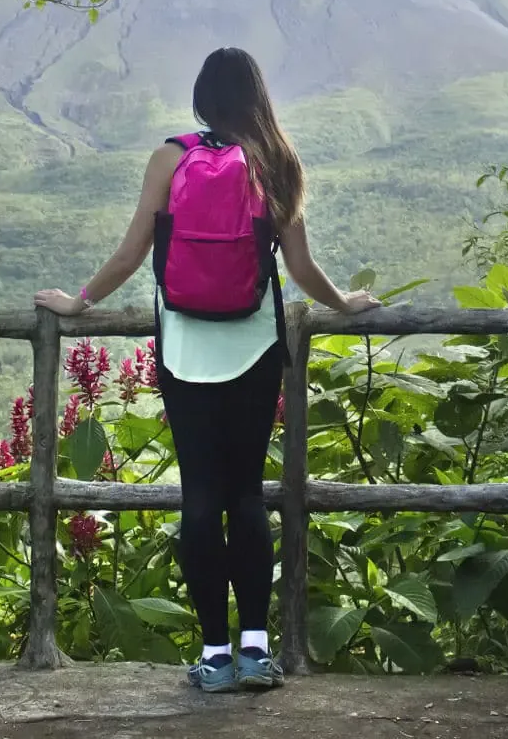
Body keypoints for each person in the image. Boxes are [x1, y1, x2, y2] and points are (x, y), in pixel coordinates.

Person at [35, 47, 381, 693]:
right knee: (247, 496)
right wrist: (344, 303)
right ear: (257, 97)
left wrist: (77, 302)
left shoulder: (170, 158)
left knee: (199, 500)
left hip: (184, 349)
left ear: (201, 99)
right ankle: (256, 652)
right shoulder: (276, 160)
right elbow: (301, 268)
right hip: (253, 348)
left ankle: (215, 656)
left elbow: (132, 253)